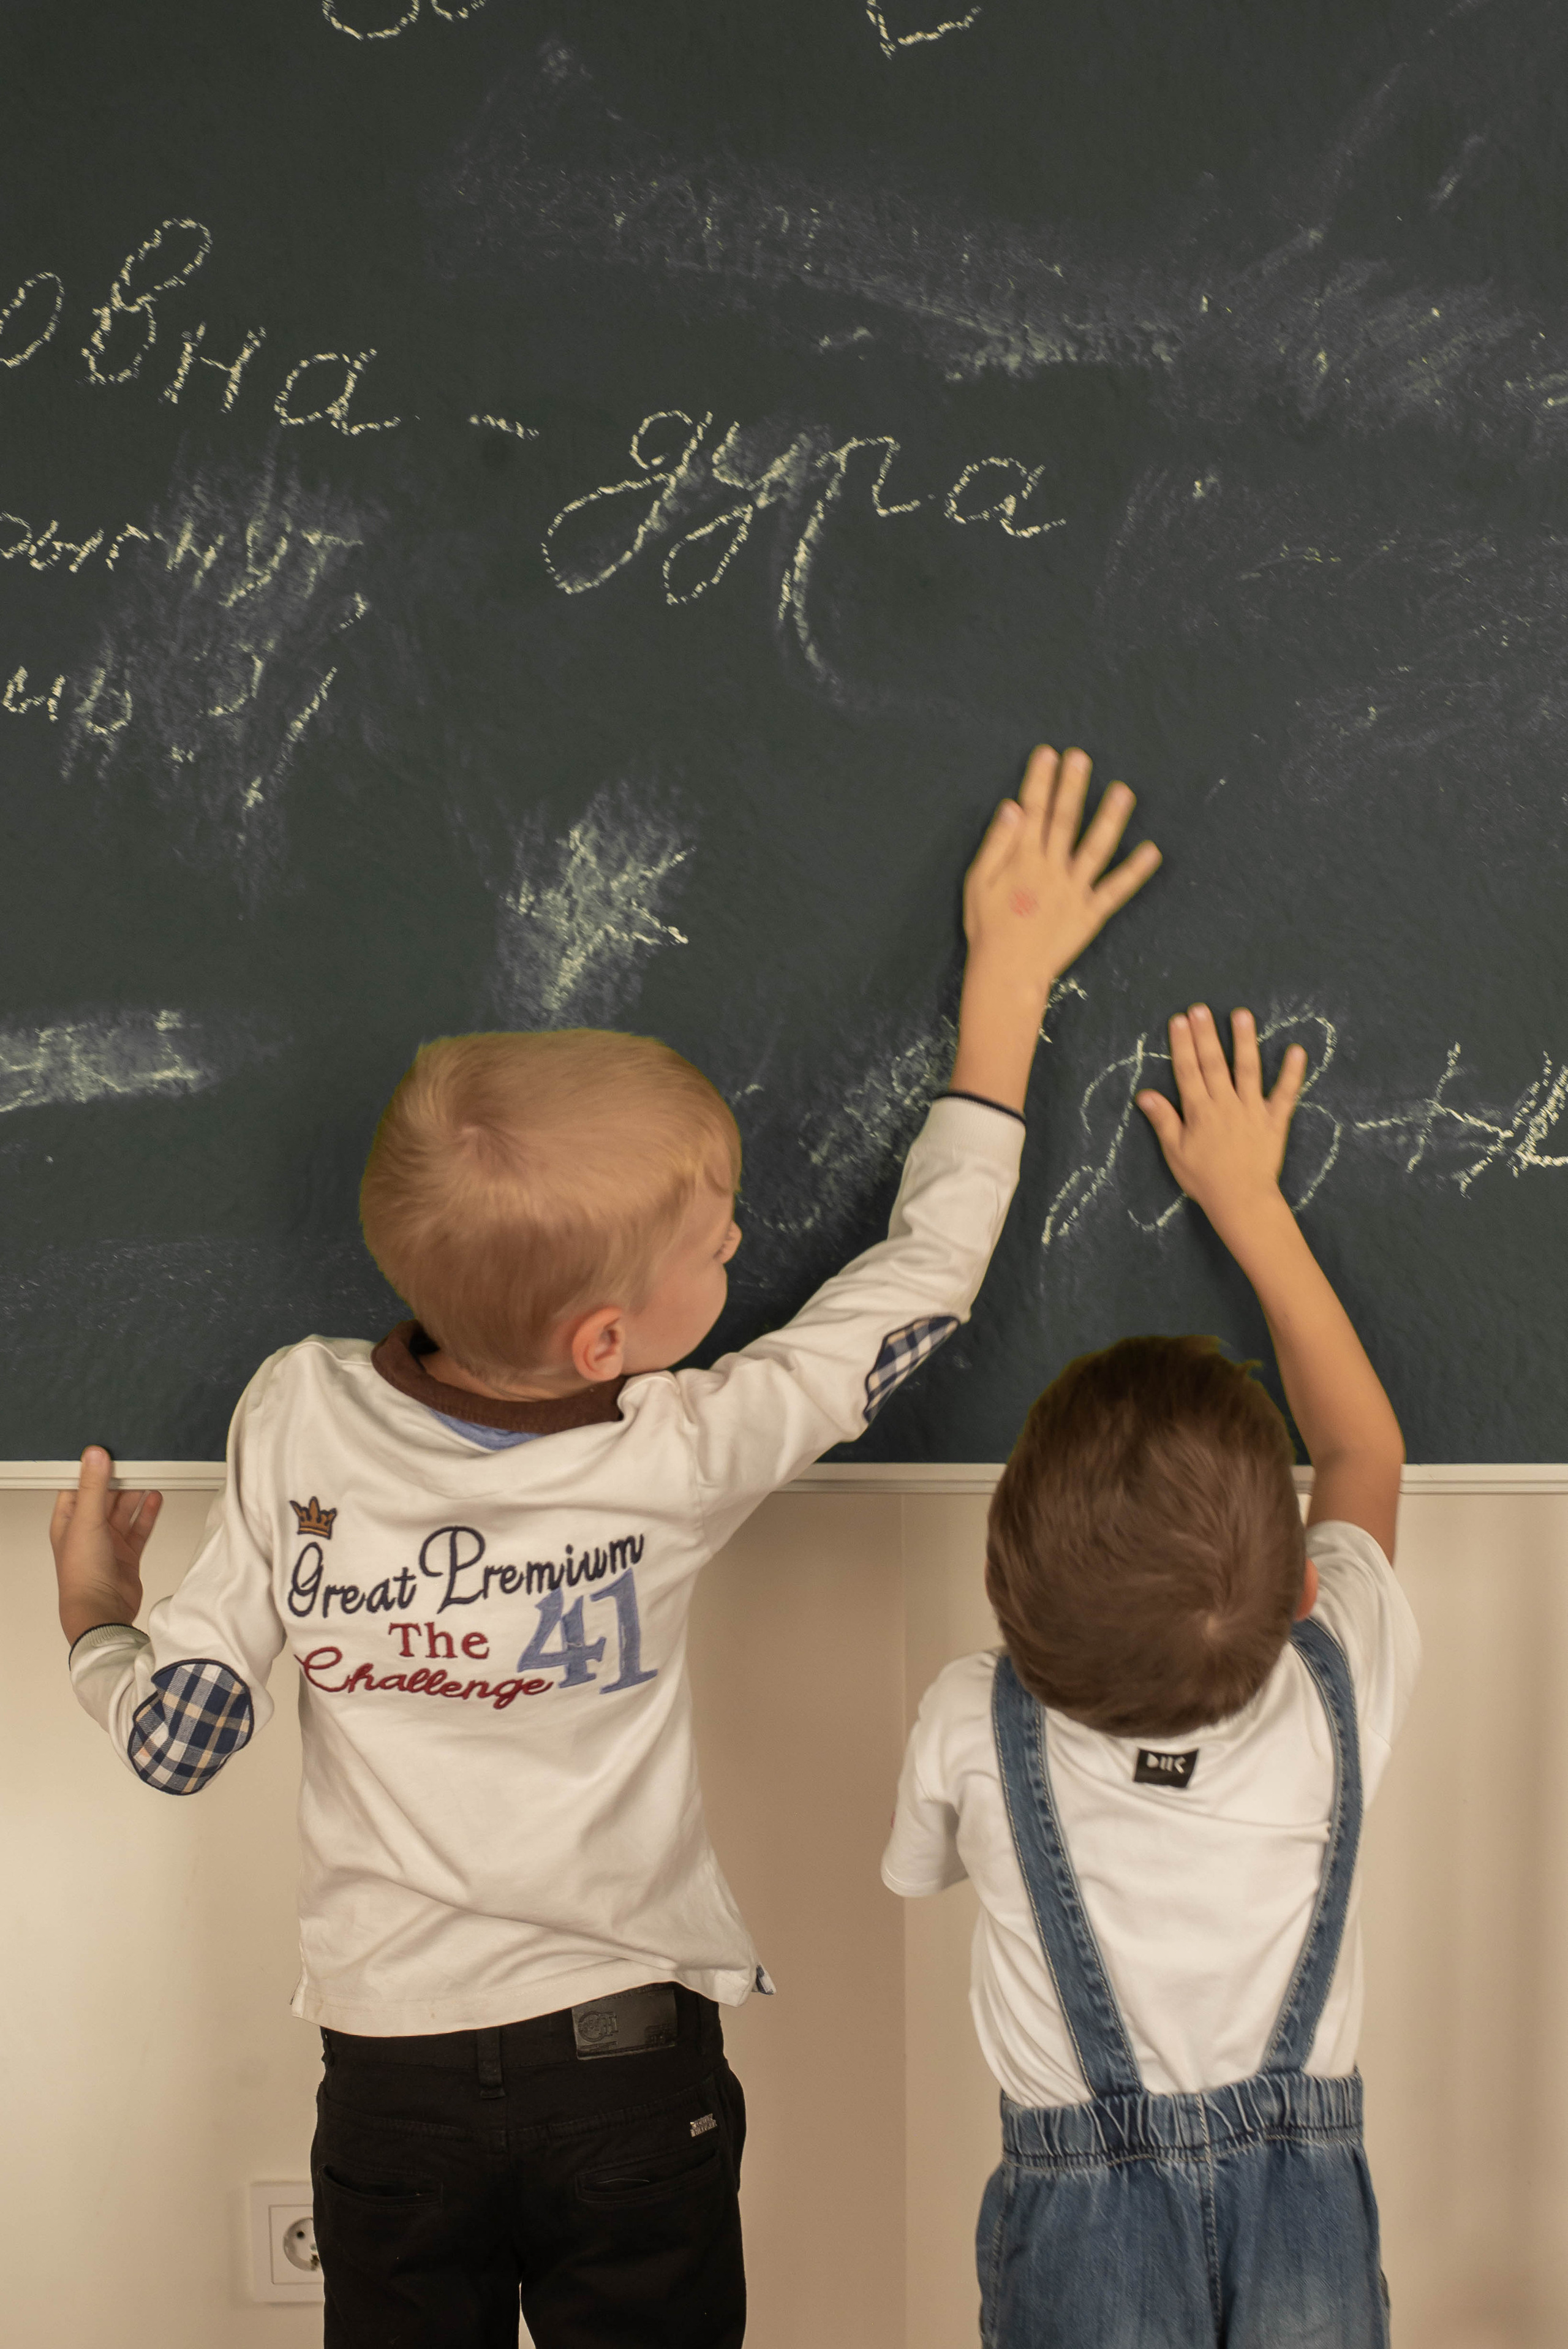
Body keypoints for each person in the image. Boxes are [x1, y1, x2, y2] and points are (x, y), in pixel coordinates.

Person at [50, 746, 1159, 2349]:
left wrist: (100, 1610)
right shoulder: (678, 1452)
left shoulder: (295, 1413)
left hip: (391, 2081)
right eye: (717, 1244)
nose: (741, 1244)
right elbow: (919, 1290)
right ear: (602, 1340)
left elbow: (177, 1738)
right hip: (627, 2073)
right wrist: (1002, 995)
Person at [883, 1002, 1415, 2349]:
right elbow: (1361, 1453)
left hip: (1079, 2233)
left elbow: (915, 1868)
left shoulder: (968, 1717)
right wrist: (1246, 1201)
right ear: (1300, 1594)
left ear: (1008, 1605)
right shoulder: (1332, 1680)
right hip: (1309, 2207)